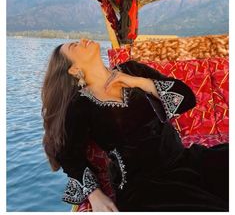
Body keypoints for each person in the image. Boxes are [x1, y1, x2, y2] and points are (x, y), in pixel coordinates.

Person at [41, 38, 229, 212]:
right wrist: (95, 195)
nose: (83, 40)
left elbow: (187, 98)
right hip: (146, 186)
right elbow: (68, 155)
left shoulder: (132, 70)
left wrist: (137, 82)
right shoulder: (79, 105)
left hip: (185, 159)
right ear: (74, 69)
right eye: (75, 46)